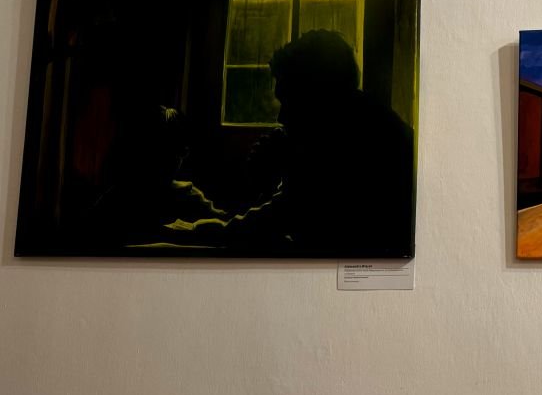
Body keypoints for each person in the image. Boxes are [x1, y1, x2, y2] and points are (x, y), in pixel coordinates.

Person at [167, 30, 415, 256]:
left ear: (317, 94)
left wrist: (218, 230)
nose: (281, 117)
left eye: (290, 101)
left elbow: (294, 213)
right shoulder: (354, 121)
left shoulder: (355, 138)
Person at [88, 105, 222, 248]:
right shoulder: (117, 202)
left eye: (181, 149)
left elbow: (221, 219)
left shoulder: (190, 196)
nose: (180, 156)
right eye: (170, 149)